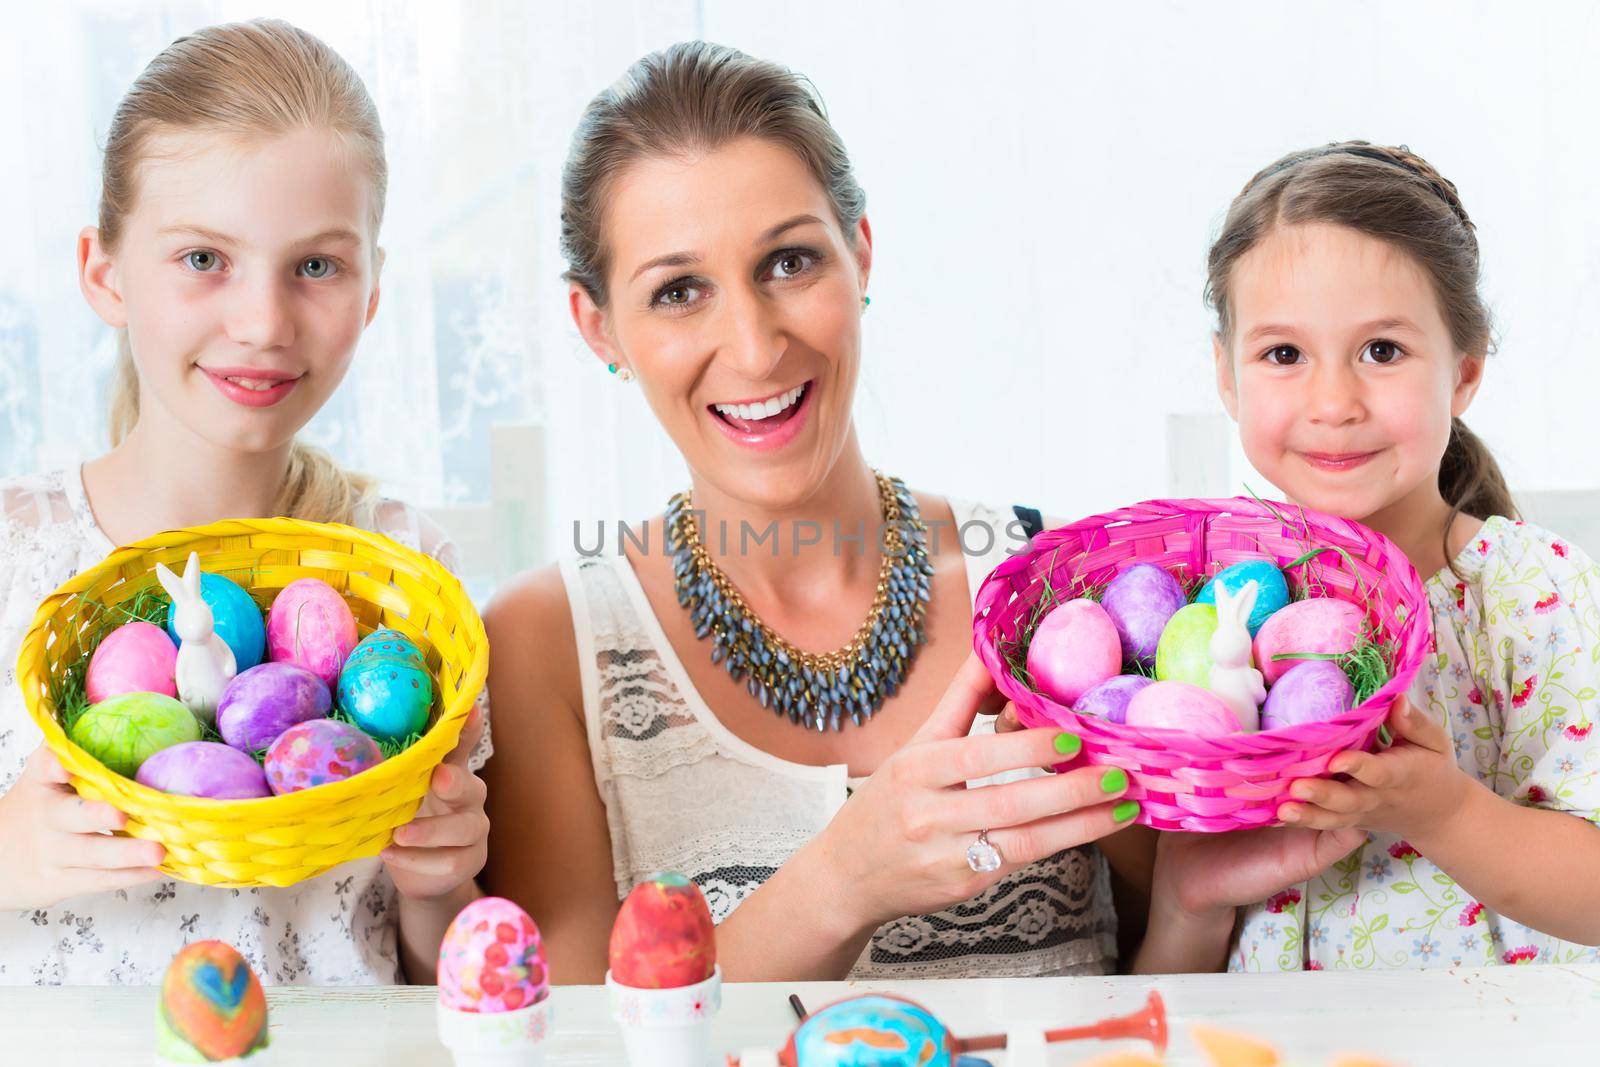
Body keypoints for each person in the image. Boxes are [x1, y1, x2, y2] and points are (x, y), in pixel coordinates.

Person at [482, 41, 1151, 983]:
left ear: (860, 254)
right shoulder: (541, 645)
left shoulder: (1054, 590)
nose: (754, 349)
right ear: (600, 328)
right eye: (679, 291)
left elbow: (1173, 964)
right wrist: (843, 879)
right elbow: (580, 1046)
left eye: (790, 261)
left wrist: (1211, 887)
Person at [0, 19, 489, 985]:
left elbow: (452, 979)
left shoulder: (402, 574)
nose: (264, 322)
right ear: (104, 271)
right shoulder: (17, 554)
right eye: (202, 259)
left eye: (316, 266)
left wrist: (440, 886)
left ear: (373, 289)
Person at [1135, 142, 1600, 973]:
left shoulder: (1537, 593)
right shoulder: (1204, 613)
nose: (1334, 403)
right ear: (1227, 377)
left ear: (1463, 372)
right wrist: (1186, 898)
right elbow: (1168, 986)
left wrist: (1448, 813)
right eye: (1284, 355)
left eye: (1382, 351)